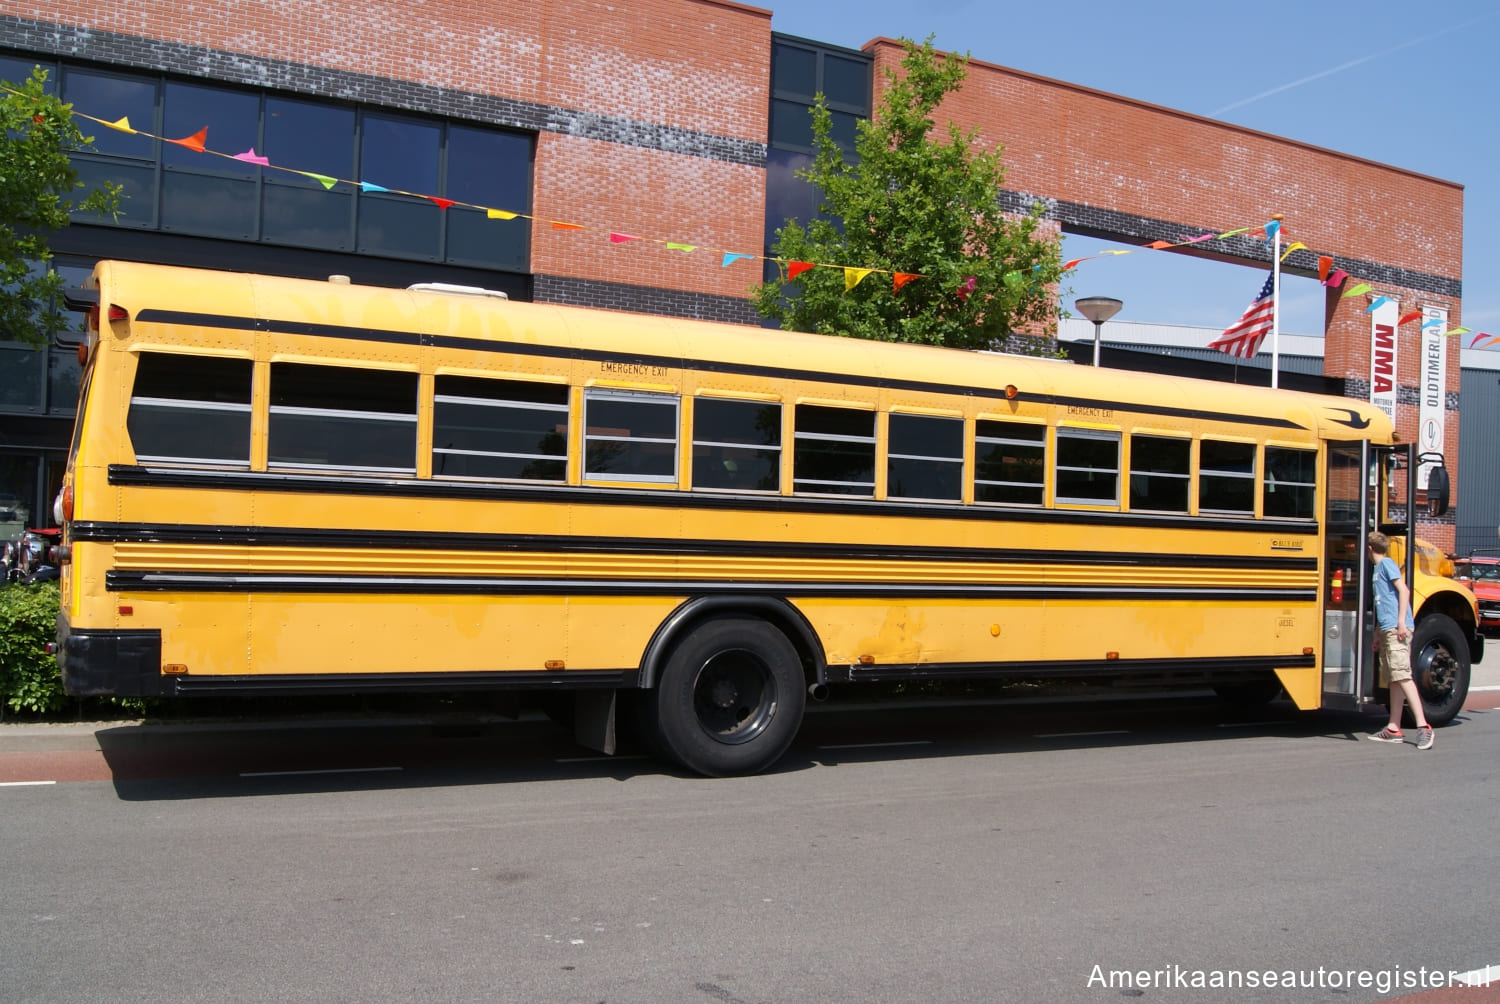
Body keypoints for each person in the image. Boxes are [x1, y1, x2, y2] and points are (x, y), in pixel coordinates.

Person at [1366, 531, 1434, 750]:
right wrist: (1378, 632)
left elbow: (1403, 591)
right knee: (1394, 678)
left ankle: (1424, 727)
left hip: (1397, 629)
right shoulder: (1378, 569)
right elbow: (1383, 604)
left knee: (1403, 676)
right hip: (1388, 629)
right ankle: (1394, 727)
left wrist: (1401, 623)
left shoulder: (1386, 565)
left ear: (1369, 549)